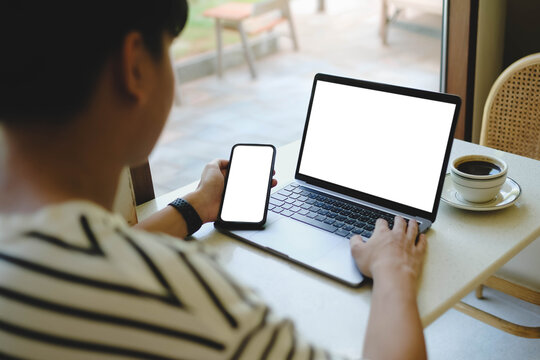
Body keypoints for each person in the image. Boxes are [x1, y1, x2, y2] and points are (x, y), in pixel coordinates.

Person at [0, 1, 427, 359]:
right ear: (134, 68)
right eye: (168, 48)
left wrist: (199, 204)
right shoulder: (183, 298)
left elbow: (104, 247)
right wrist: (392, 272)